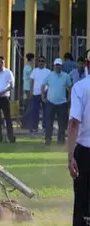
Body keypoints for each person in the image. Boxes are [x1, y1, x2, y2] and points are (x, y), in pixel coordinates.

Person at [67, 48, 90, 226]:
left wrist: (70, 156)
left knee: (82, 200)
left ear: (87, 65)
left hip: (84, 151)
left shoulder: (80, 87)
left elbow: (74, 122)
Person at [41, 58, 72, 145]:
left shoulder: (66, 76)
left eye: (59, 65)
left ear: (61, 66)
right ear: (54, 66)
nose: (58, 67)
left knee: (62, 124)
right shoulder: (50, 75)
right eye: (56, 65)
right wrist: (43, 97)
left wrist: (69, 98)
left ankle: (61, 140)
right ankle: (48, 140)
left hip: (62, 103)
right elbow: (43, 85)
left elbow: (70, 87)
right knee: (48, 123)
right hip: (50, 103)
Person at [29, 56, 50, 134]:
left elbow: (50, 83)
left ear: (45, 62)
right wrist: (31, 92)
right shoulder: (34, 71)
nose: (41, 62)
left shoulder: (48, 71)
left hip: (45, 93)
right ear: (37, 62)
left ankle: (45, 127)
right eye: (40, 61)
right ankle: (35, 128)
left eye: (43, 61)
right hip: (35, 94)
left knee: (46, 111)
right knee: (35, 111)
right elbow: (31, 81)